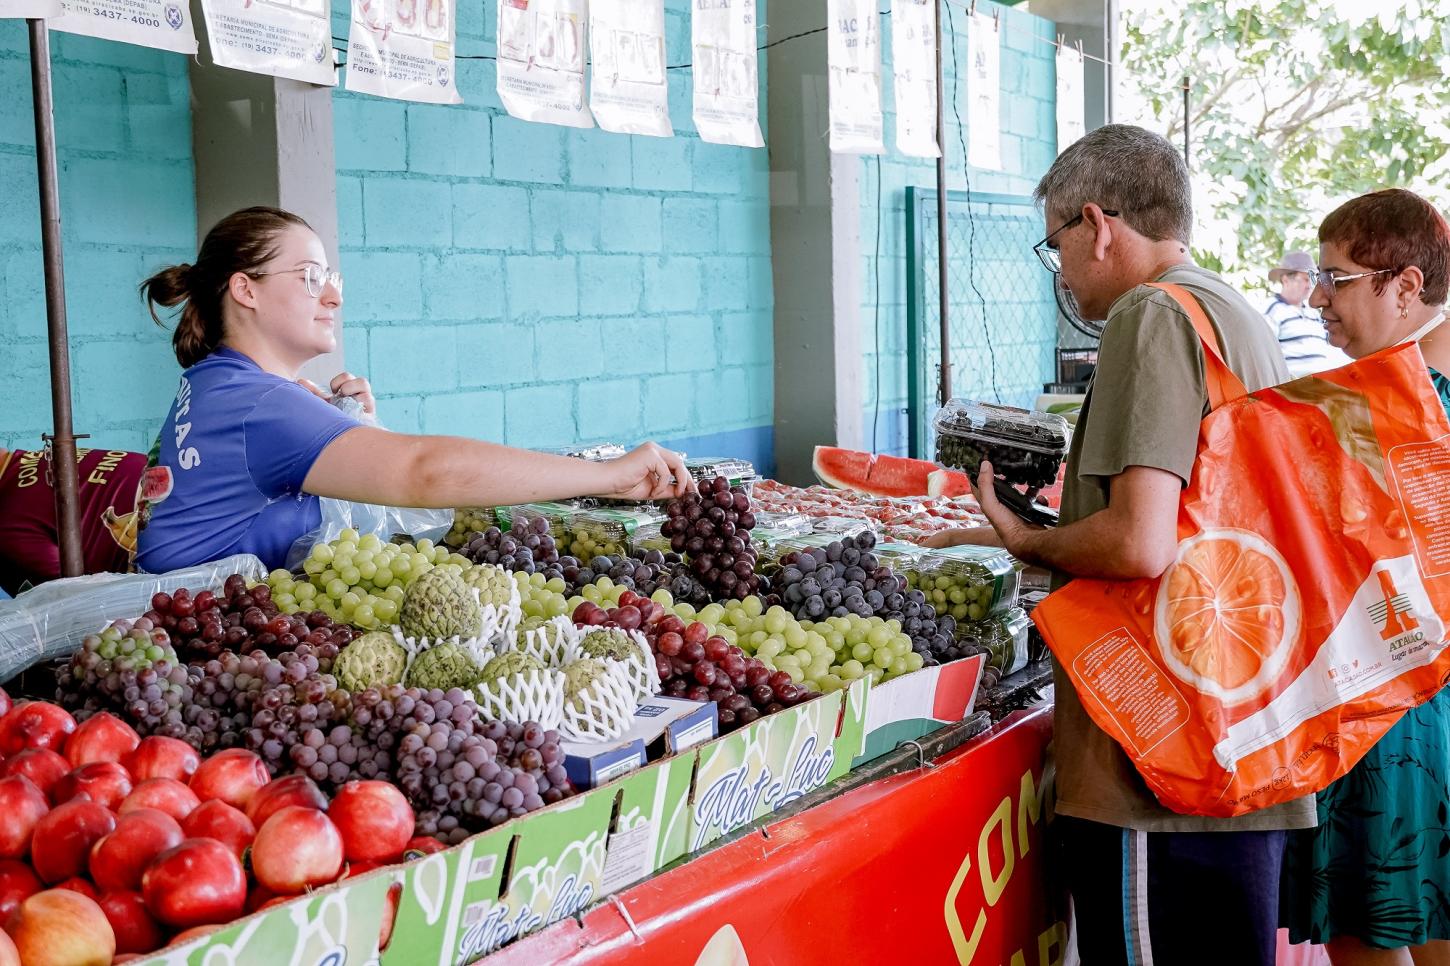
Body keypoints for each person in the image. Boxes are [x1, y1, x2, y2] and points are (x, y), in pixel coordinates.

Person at [925, 125, 1310, 965]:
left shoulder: (1150, 313)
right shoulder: (1231, 310)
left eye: (1057, 242)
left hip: (1155, 767)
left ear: (1097, 224)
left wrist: (1027, 535)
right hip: (1232, 729)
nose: (1060, 268)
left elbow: (1140, 542)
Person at [134, 206, 692, 574]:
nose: (332, 297)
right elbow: (426, 471)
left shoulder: (216, 383)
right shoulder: (261, 404)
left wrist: (350, 435)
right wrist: (604, 475)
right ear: (244, 290)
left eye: (332, 280)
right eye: (309, 277)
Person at [1279, 188, 1450, 966]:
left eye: (1337, 279)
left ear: (1407, 288)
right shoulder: (1399, 397)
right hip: (1413, 703)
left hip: (1384, 711)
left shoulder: (1396, 410)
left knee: (1369, 929)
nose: (1317, 297)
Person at [1264, 249, 1352, 377]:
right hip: (1293, 385)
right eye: (1305, 279)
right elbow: (1266, 355)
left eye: (1311, 280)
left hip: (1324, 383)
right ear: (1286, 280)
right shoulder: (1272, 310)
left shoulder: (1314, 313)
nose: (1309, 286)